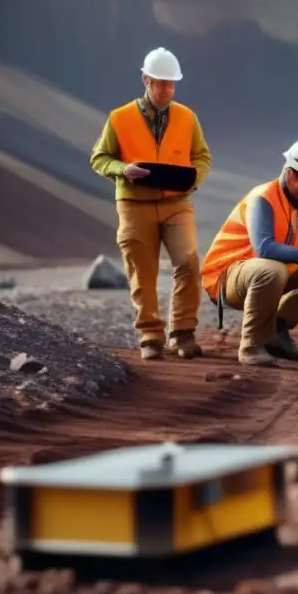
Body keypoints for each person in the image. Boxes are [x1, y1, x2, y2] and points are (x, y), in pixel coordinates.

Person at [90, 47, 212, 361]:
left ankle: (183, 334)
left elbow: (202, 156)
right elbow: (100, 158)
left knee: (188, 262)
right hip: (134, 204)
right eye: (160, 82)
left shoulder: (188, 117)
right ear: (146, 79)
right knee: (141, 273)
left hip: (177, 203)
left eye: (172, 83)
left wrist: (193, 178)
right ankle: (151, 337)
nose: (167, 89)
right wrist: (122, 170)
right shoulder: (119, 118)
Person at [200, 138, 298, 366]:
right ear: (290, 175)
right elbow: (264, 248)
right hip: (227, 277)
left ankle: (277, 329)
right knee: (273, 269)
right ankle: (251, 347)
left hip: (267, 275)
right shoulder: (263, 198)